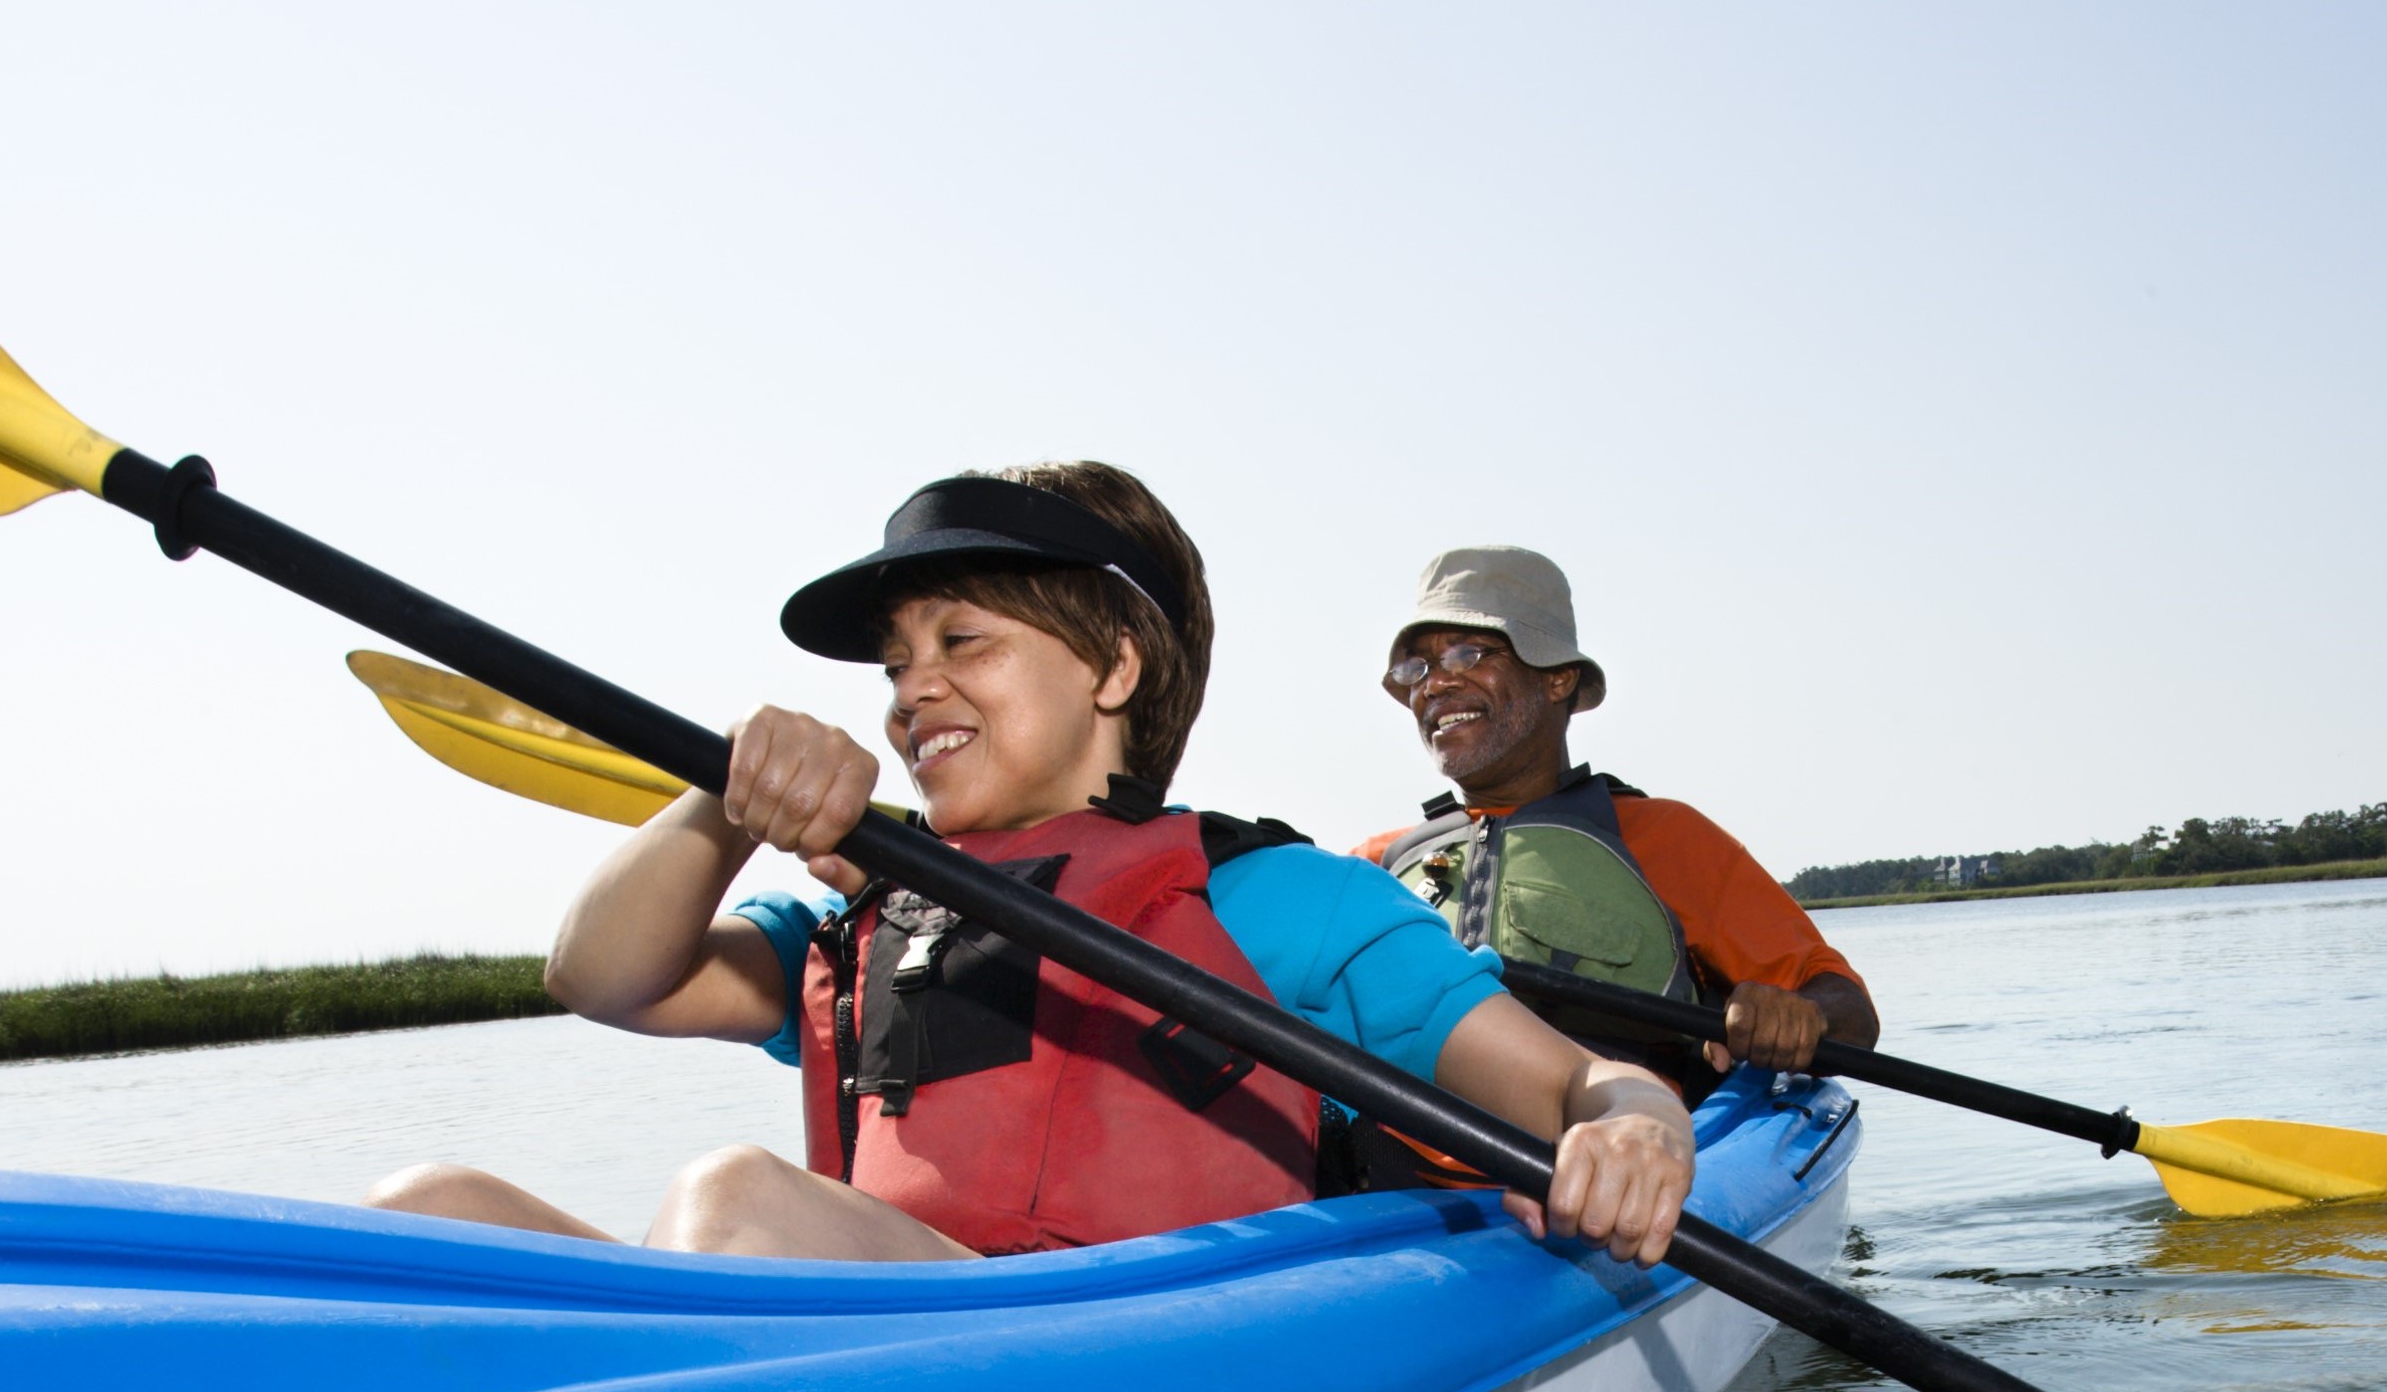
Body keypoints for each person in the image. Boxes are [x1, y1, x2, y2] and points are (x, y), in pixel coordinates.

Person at [367, 465, 1700, 1266]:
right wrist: (722, 801)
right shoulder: (859, 917)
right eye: (896, 663)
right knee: (429, 1215)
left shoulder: (1272, 901)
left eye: (964, 641)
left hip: (1132, 1371)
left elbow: (1577, 1080)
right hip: (883, 1367)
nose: (913, 690)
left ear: (1115, 669)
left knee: (735, 1200)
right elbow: (598, 972)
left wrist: (1635, 1129)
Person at [1351, 545, 1876, 1185]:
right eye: (1418, 666)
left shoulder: (1667, 839)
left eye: (1469, 654)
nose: (1434, 683)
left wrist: (1803, 1015)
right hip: (1391, 1181)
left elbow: (1849, 1012)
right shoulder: (1377, 866)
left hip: (1603, 1175)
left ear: (1557, 678)